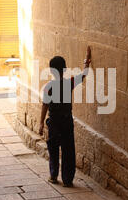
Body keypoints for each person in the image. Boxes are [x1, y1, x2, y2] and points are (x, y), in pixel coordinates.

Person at [39, 46, 92, 187]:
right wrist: (87, 61)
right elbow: (84, 74)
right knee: (68, 150)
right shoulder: (69, 83)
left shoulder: (48, 87)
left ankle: (53, 175)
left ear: (51, 71)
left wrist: (40, 123)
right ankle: (68, 179)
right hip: (66, 121)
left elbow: (45, 105)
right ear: (64, 70)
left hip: (54, 122)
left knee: (53, 148)